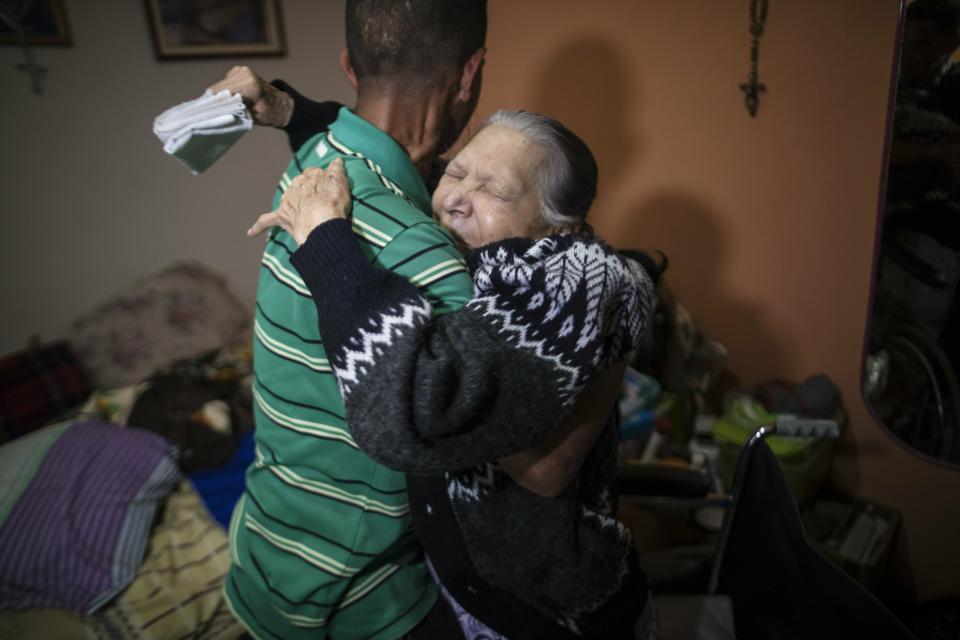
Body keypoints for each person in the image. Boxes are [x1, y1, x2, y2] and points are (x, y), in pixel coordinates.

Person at [248, 110, 658, 639]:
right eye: (457, 173)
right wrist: (292, 110)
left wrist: (325, 241)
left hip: (549, 614)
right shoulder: (484, 252)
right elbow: (395, 137)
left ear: (561, 228)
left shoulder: (571, 280)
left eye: (496, 191)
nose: (455, 197)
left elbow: (417, 409)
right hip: (473, 593)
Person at [221, 2, 490, 639]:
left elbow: (338, 128)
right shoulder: (430, 259)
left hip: (262, 551)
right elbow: (513, 461)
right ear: (470, 74)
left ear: (348, 65)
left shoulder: (318, 164)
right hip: (352, 601)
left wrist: (284, 106)